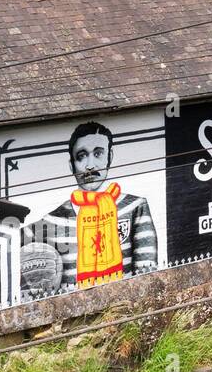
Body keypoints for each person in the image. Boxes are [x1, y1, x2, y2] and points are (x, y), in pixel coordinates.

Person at [21, 121, 158, 293]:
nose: (90, 165)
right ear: (71, 165)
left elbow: (148, 276)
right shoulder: (53, 220)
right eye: (81, 156)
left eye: (98, 153)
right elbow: (8, 245)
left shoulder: (135, 208)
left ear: (110, 156)